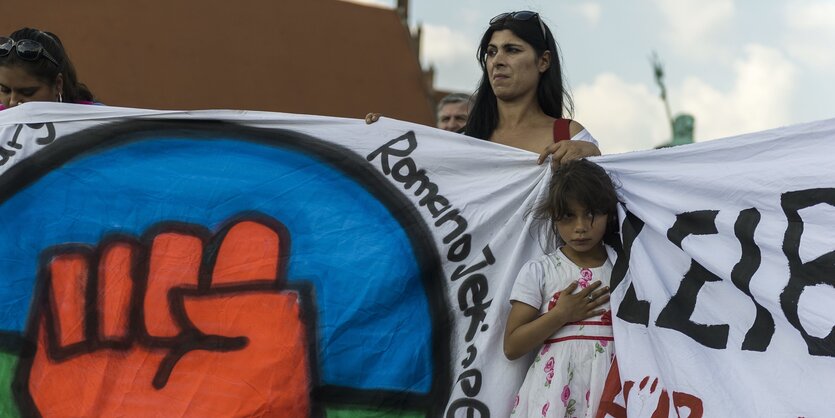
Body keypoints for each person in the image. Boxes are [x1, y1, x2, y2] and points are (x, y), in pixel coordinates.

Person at [504, 159, 618, 417]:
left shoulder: (624, 269)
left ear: (608, 215)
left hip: (611, 390)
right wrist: (560, 315)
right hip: (554, 396)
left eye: (591, 214)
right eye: (568, 216)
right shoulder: (541, 270)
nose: (580, 227)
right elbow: (512, 346)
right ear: (554, 217)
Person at [466, 11, 600, 165]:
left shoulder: (571, 137)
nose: (497, 61)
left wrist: (595, 159)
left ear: (543, 61)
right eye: (491, 52)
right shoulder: (462, 139)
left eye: (512, 50)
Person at [0, 28, 95, 110]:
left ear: (58, 85)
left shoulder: (98, 124)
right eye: (4, 90)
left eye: (27, 92)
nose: (12, 102)